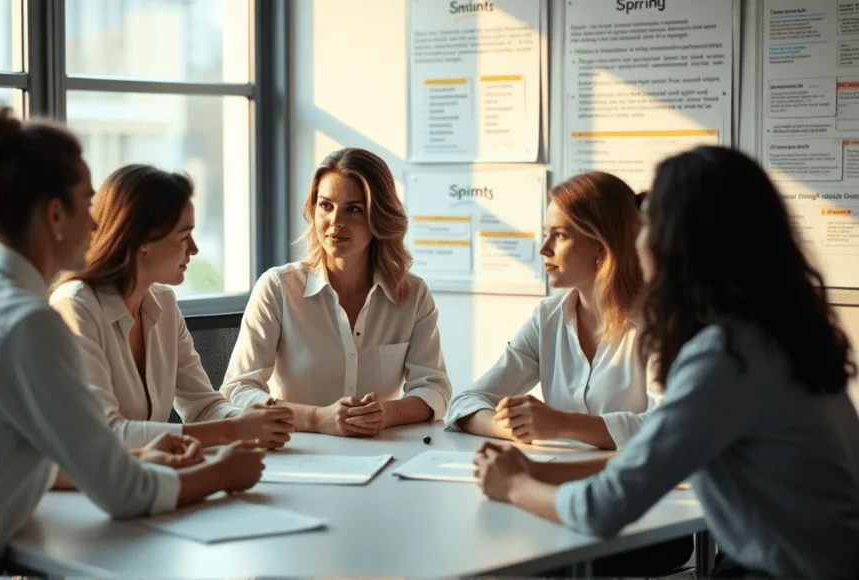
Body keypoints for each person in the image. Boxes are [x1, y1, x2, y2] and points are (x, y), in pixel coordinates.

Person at [0, 103, 264, 558]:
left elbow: (45, 453)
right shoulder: (27, 321)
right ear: (54, 215)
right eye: (86, 201)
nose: (98, 221)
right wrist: (225, 473)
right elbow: (123, 495)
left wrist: (137, 458)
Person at [474, 146, 859, 578]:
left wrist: (515, 486)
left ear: (677, 242)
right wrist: (542, 470)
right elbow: (654, 453)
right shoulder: (774, 333)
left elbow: (603, 509)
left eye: (645, 224)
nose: (635, 241)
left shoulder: (725, 356)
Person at [51, 164, 294, 449]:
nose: (193, 248)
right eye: (184, 235)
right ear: (143, 240)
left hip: (141, 477)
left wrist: (252, 420)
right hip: (81, 488)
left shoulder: (163, 304)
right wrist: (233, 429)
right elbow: (104, 433)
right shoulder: (75, 306)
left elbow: (203, 406)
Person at [221, 147, 451, 436]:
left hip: (379, 453)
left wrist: (386, 414)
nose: (335, 222)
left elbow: (434, 388)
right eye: (325, 205)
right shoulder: (279, 287)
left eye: (353, 209)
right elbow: (238, 390)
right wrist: (317, 419)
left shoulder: (412, 295)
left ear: (378, 216)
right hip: (296, 448)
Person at [445, 172, 658, 450]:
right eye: (546, 234)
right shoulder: (548, 317)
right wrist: (515, 428)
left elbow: (672, 424)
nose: (544, 249)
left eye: (559, 235)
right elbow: (466, 402)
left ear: (602, 246)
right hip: (555, 477)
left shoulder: (661, 323)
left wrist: (562, 424)